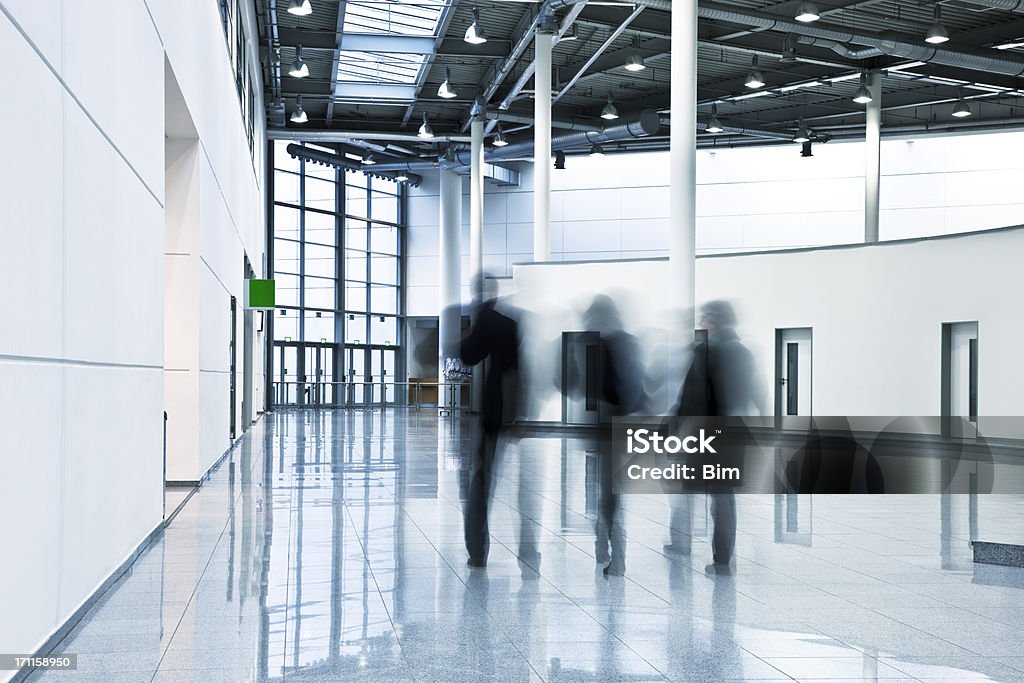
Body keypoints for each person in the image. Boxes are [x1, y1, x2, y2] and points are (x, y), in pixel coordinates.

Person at [672, 300, 757, 576]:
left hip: (708, 434)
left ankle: (681, 542)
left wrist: (672, 430)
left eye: (706, 317)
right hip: (734, 434)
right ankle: (722, 557)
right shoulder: (744, 352)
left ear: (716, 320)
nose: (702, 322)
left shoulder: (706, 351)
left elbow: (688, 397)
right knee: (724, 497)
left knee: (689, 492)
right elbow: (752, 393)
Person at [460, 290, 520, 568]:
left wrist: (469, 331)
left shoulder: (486, 321)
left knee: (481, 479)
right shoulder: (511, 324)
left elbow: (470, 355)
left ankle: (477, 549)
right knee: (488, 475)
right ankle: (521, 548)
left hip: (492, 408)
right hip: (507, 407)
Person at [584, 295, 642, 577]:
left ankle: (612, 553)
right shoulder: (625, 341)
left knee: (607, 489)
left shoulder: (602, 343)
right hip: (623, 423)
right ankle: (605, 545)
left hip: (608, 423)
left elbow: (593, 387)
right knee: (610, 488)